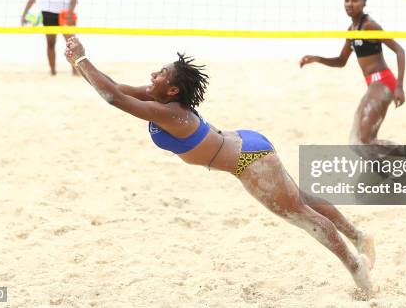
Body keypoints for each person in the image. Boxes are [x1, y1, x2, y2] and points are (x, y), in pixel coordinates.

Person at [64, 36, 376, 294]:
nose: (152, 76)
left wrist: (81, 59)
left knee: (300, 215)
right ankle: (359, 236)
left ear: (173, 90)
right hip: (247, 145)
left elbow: (112, 99)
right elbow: (114, 87)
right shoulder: (159, 98)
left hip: (250, 163)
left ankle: (356, 265)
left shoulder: (172, 114)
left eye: (160, 74)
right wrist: (80, 64)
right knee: (301, 200)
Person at [300, 0, 406, 156]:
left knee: (362, 141)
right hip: (373, 84)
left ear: (364, 3)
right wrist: (317, 59)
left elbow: (400, 51)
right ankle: (389, 173)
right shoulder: (351, 30)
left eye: (354, 0)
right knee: (359, 142)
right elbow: (341, 61)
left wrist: (399, 86)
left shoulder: (369, 26)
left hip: (383, 82)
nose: (349, 4)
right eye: (346, 0)